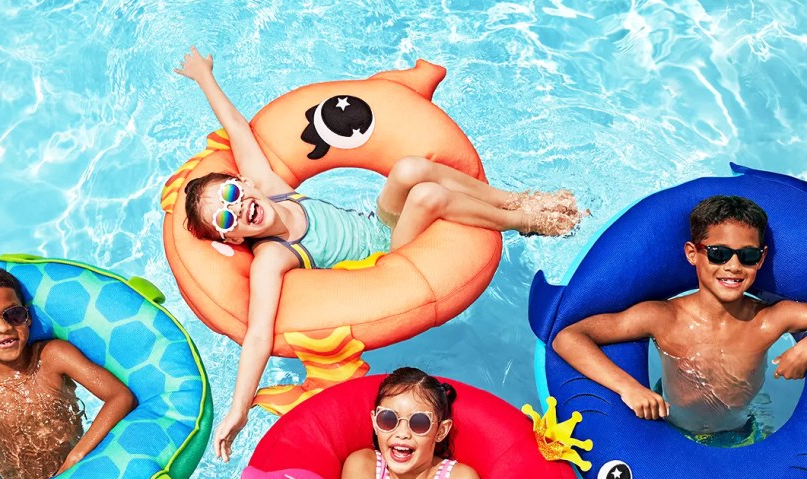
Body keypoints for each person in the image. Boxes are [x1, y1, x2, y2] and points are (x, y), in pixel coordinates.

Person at [173, 47, 585, 461]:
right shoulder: (273, 257)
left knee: (408, 168)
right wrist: (238, 410)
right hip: (391, 255)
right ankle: (523, 221)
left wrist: (204, 77)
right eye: (225, 220)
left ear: (243, 182)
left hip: (381, 223)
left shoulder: (269, 185)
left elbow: (237, 128)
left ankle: (514, 200)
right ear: (230, 240)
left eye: (230, 195)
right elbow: (258, 334)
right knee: (425, 196)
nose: (237, 209)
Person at [553, 195, 807, 446]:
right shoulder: (664, 318)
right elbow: (568, 338)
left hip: (739, 432)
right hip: (671, 431)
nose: (733, 266)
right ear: (692, 253)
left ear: (761, 258)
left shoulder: (769, 320)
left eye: (747, 255)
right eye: (719, 253)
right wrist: (629, 387)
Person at [0, 265, 137, 479]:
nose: (3, 328)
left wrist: (75, 459)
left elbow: (120, 396)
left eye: (13, 315)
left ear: (28, 317)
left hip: (79, 471)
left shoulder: (53, 356)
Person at [341, 367, 479, 479]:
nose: (402, 433)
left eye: (419, 423)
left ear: (440, 431)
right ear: (375, 423)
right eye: (388, 419)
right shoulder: (363, 465)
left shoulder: (459, 476)